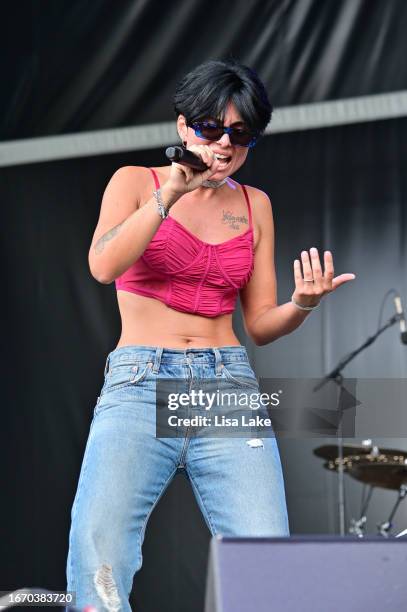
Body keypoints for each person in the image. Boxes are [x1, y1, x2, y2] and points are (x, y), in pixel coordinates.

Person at [66, 58, 355, 611]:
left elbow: (262, 325)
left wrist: (302, 304)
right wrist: (171, 192)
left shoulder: (255, 205)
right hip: (141, 380)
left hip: (226, 385)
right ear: (183, 126)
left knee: (265, 552)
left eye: (242, 134)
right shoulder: (135, 182)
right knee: (100, 548)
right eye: (211, 128)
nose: (226, 144)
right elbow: (103, 266)